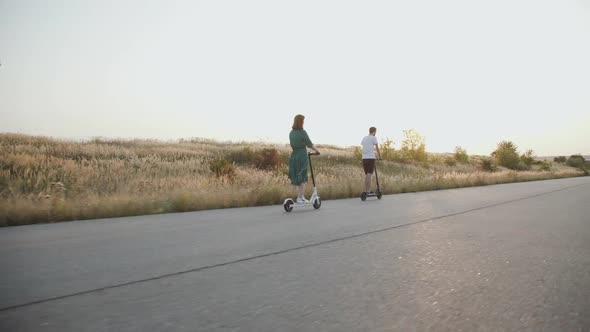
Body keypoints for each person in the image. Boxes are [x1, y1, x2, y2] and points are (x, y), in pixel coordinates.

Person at [288, 114, 319, 203]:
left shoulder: (291, 133)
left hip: (294, 155)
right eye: (303, 121)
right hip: (302, 155)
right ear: (301, 122)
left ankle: (301, 196)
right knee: (302, 176)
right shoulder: (303, 132)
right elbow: (309, 144)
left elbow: (292, 144)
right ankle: (299, 197)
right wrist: (317, 151)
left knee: (298, 175)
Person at [361, 127, 381, 194]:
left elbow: (364, 147)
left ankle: (366, 190)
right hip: (370, 158)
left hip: (364, 158)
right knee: (369, 174)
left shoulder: (364, 138)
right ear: (374, 131)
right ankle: (368, 191)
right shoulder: (373, 138)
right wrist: (380, 156)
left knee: (367, 174)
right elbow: (377, 148)